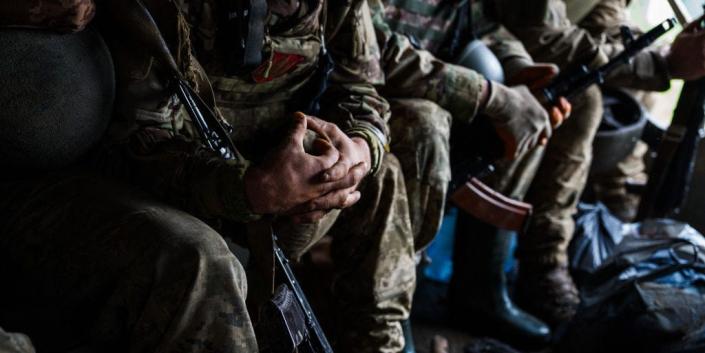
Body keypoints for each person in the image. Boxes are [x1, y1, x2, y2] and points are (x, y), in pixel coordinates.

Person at [0, 1, 416, 353]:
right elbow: (141, 140)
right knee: (202, 260)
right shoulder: (162, 11)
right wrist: (250, 190)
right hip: (174, 173)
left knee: (382, 174)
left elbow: (363, 90)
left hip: (262, 165)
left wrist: (359, 151)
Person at [367, 0, 571, 344]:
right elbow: (376, 52)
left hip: (439, 91)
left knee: (531, 118)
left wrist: (517, 69)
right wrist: (493, 96)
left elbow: (485, 27)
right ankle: (387, 314)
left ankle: (479, 290)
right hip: (361, 102)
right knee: (425, 125)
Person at [491, 0, 705, 325]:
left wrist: (658, 56)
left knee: (633, 98)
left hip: (529, 45)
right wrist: (660, 66)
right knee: (583, 100)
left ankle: (614, 223)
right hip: (485, 47)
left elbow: (601, 21)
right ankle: (540, 261)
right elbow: (545, 36)